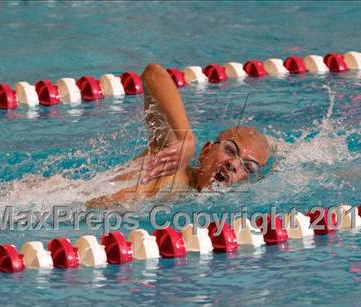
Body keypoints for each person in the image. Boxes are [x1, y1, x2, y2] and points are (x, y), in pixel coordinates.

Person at [86, 64, 270, 208]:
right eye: (230, 150)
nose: (234, 164)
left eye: (249, 168)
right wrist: (186, 139)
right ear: (205, 151)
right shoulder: (171, 163)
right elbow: (153, 73)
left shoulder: (192, 200)